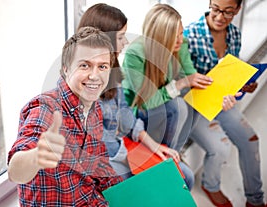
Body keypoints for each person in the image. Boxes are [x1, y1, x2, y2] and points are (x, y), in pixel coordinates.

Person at [76, 3, 195, 190]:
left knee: (186, 178)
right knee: (169, 183)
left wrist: (153, 145)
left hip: (122, 146)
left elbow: (123, 111)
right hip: (108, 160)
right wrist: (127, 161)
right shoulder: (81, 82)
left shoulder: (111, 68)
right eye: (121, 37)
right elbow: (98, 143)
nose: (126, 43)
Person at [7, 26, 123, 207]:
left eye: (102, 66)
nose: (95, 75)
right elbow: (15, 171)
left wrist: (131, 193)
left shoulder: (94, 109)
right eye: (85, 65)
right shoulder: (46, 108)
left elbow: (99, 167)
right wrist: (37, 156)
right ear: (66, 69)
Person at [122, 3, 237, 167]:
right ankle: (168, 158)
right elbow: (146, 102)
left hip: (161, 103)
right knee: (178, 106)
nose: (180, 39)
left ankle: (174, 152)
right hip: (139, 111)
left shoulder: (180, 44)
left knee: (194, 98)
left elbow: (193, 79)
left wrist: (223, 94)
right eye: (174, 35)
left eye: (181, 32)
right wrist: (182, 83)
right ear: (160, 37)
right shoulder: (136, 53)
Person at [184, 0, 266, 207]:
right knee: (221, 147)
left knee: (251, 142)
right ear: (209, 3)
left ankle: (255, 200)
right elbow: (178, 82)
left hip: (221, 101)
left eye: (228, 12)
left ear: (238, 10)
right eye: (216, 10)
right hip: (194, 105)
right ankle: (210, 186)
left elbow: (230, 72)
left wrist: (243, 85)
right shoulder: (188, 35)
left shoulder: (235, 35)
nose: (220, 17)